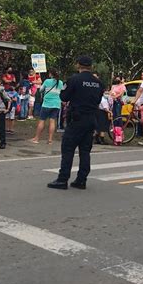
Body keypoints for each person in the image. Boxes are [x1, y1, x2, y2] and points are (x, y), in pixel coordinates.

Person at [47, 56, 104, 190]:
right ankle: (81, 180)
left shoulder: (74, 79)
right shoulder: (98, 82)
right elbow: (98, 100)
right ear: (91, 66)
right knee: (85, 151)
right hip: (91, 119)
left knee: (68, 149)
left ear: (78, 65)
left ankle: (62, 179)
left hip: (77, 118)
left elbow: (64, 96)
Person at [31, 68, 63, 145]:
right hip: (56, 104)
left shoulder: (47, 81)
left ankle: (37, 138)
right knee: (52, 121)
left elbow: (41, 90)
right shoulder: (60, 82)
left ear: (51, 74)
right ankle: (50, 140)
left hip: (47, 104)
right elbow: (61, 91)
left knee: (42, 120)